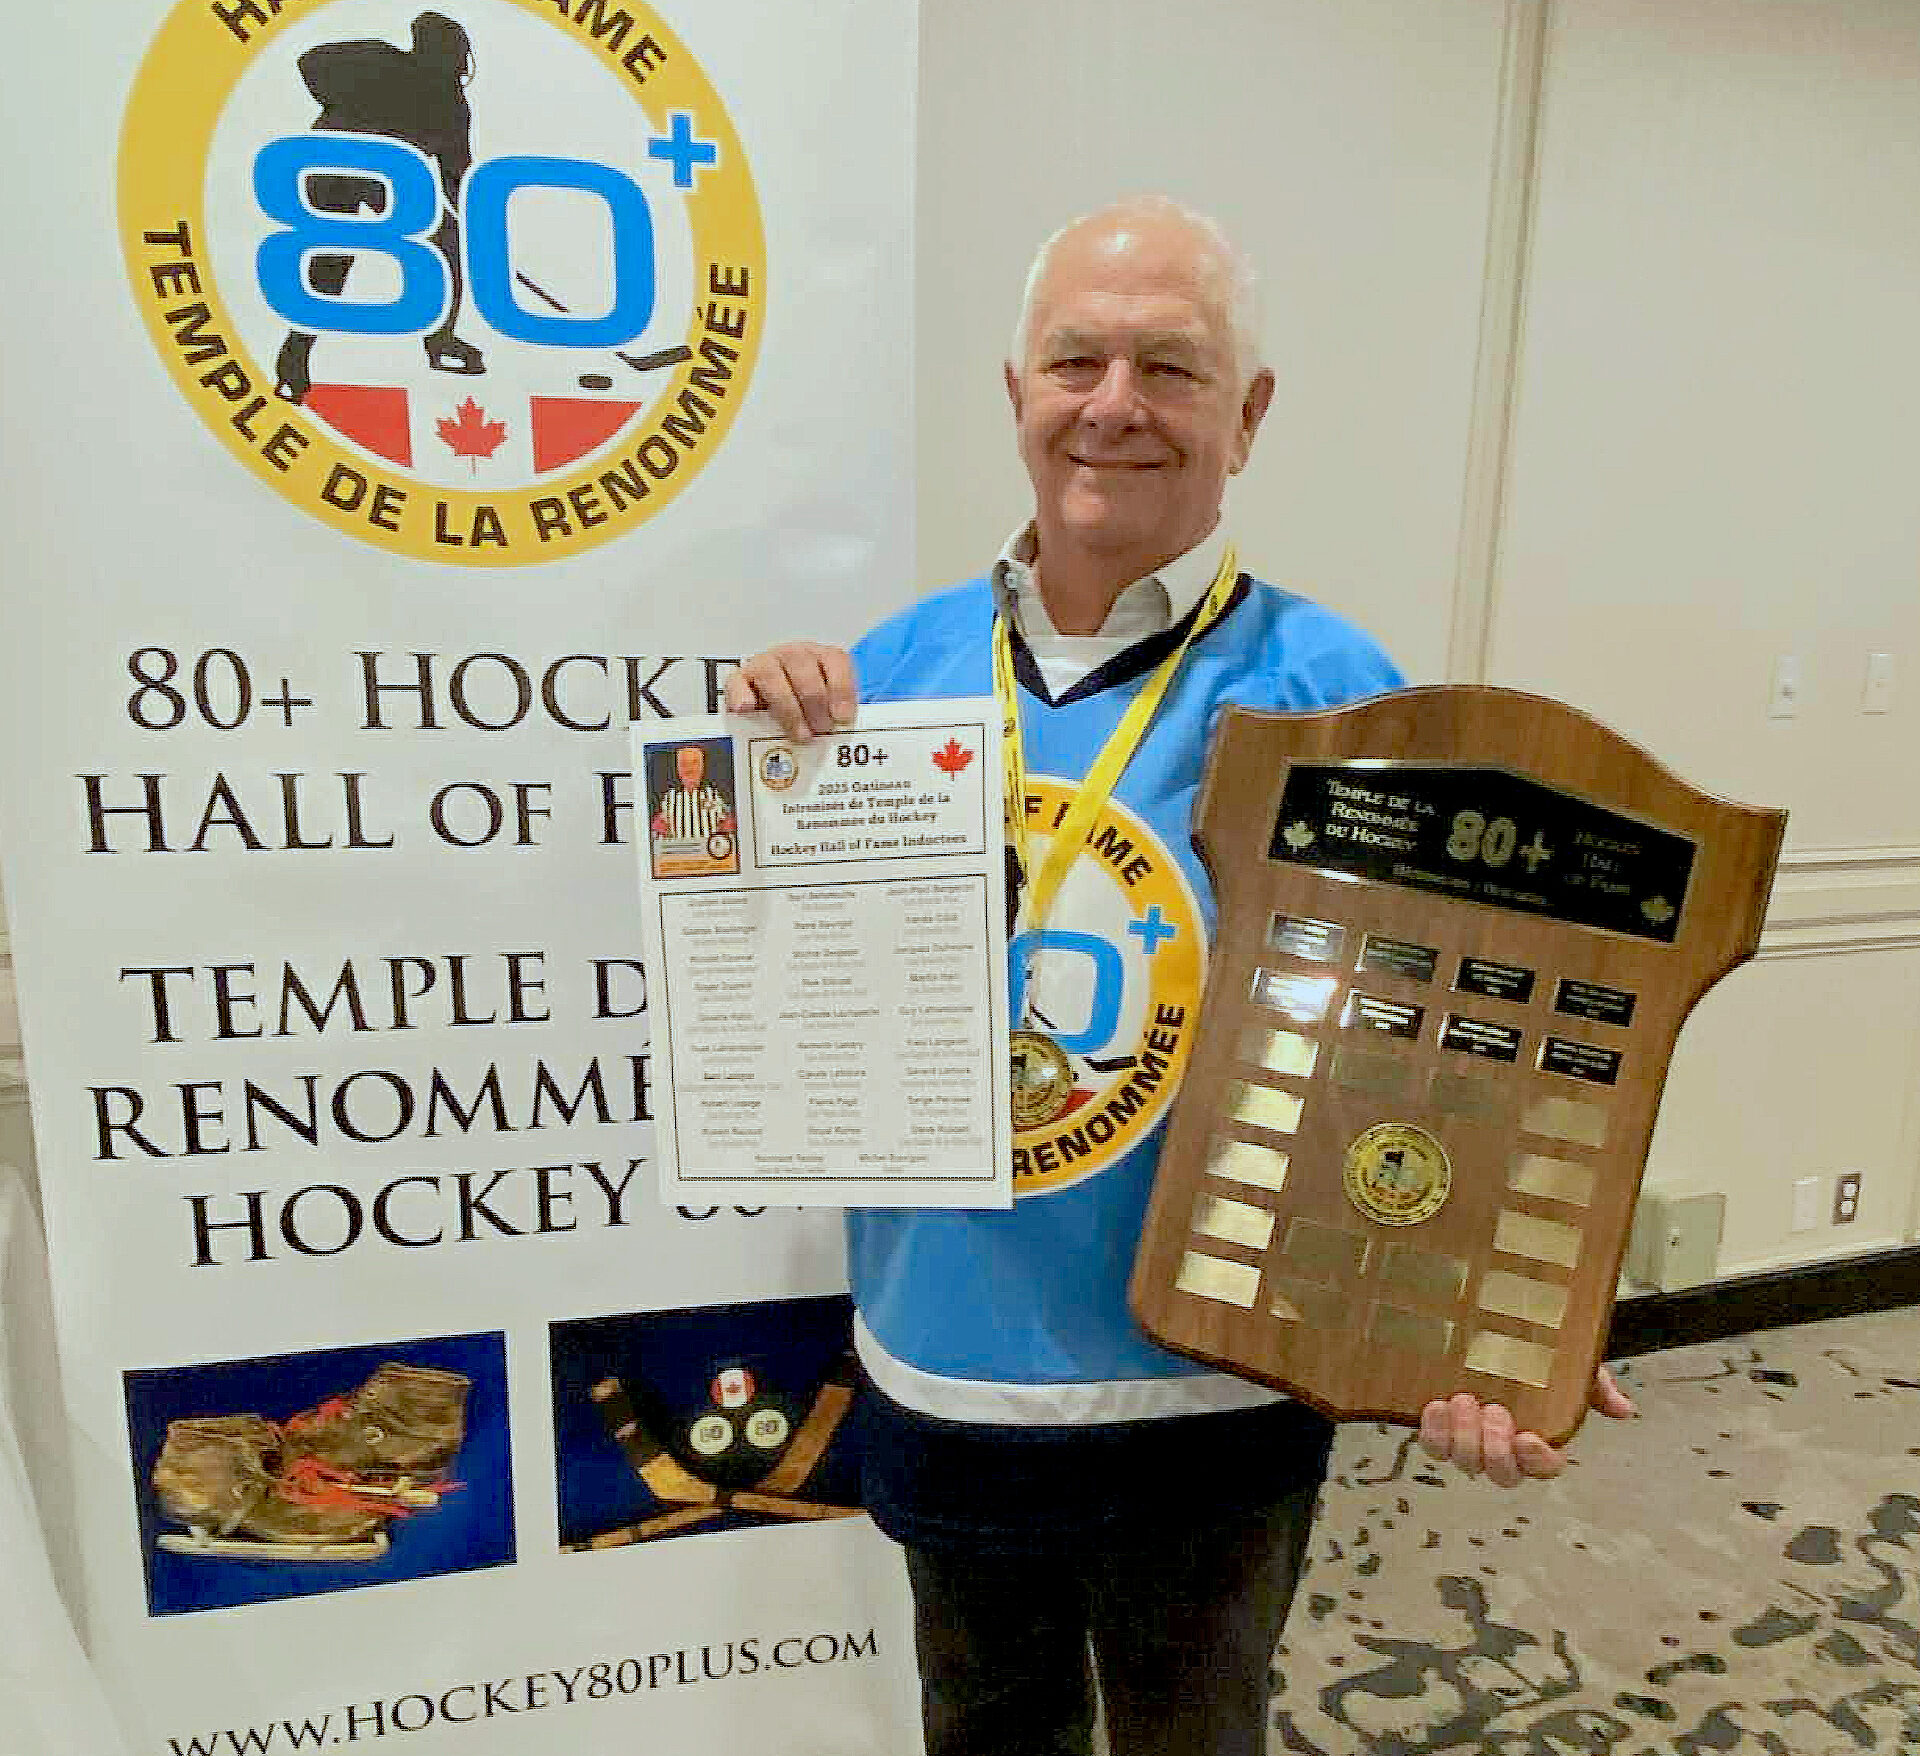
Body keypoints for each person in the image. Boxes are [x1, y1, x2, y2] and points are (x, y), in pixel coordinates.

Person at [726, 197, 1634, 1756]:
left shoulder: (1337, 694)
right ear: (1016, 393)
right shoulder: (880, 680)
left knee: (1190, 1733)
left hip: (1214, 1383)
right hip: (947, 1361)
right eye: (1076, 359)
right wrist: (759, 759)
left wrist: (1501, 1315)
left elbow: (1445, 1047)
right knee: (984, 1727)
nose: (1116, 405)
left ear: (1250, 415)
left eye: (1173, 366)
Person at [273, 11, 486, 403]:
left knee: (441, 249)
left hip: (374, 178)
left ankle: (439, 342)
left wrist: (463, 210)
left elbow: (457, 171)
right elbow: (310, 63)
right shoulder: (380, 60)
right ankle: (298, 356)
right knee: (343, 262)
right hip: (337, 167)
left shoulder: (449, 101)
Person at [651, 743, 734, 841]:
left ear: (703, 766)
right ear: (677, 768)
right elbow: (658, 828)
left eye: (695, 763)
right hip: (678, 852)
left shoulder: (717, 795)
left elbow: (729, 824)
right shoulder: (668, 798)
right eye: (684, 764)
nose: (689, 770)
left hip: (711, 851)